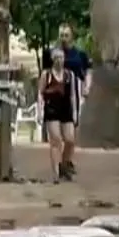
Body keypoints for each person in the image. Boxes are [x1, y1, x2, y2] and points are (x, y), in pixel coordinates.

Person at [41, 23, 91, 176]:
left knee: (71, 135)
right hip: (56, 95)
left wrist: (87, 86)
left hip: (75, 93)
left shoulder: (80, 54)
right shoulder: (51, 53)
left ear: (72, 37)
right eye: (61, 35)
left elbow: (88, 71)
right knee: (59, 136)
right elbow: (45, 74)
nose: (63, 38)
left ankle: (66, 161)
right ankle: (61, 165)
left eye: (66, 35)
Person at [38, 48, 78, 182]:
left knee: (70, 140)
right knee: (56, 140)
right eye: (56, 57)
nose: (59, 60)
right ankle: (56, 171)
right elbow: (40, 93)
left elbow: (72, 95)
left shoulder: (69, 75)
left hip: (66, 109)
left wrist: (75, 112)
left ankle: (65, 164)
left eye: (61, 57)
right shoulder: (47, 74)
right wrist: (39, 111)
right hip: (52, 109)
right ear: (52, 59)